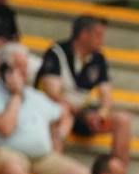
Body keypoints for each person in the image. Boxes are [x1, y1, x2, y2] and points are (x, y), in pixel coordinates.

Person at [0, 42, 88, 174]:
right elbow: (6, 128)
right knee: (15, 168)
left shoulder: (35, 95)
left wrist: (58, 137)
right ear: (4, 68)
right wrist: (15, 94)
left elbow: (63, 113)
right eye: (18, 68)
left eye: (25, 67)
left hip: (41, 157)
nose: (24, 72)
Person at [35, 15, 131, 163]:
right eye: (98, 35)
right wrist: (82, 114)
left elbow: (106, 94)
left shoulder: (98, 58)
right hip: (53, 110)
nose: (102, 40)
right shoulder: (56, 52)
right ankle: (55, 165)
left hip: (82, 112)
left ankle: (117, 173)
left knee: (123, 120)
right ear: (84, 34)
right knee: (62, 112)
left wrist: (101, 113)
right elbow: (53, 94)